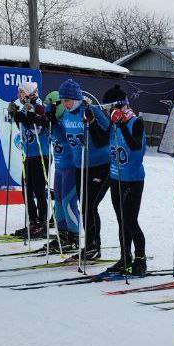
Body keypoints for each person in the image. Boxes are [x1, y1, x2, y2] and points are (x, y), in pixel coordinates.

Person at [58, 78, 112, 261]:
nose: (65, 104)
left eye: (68, 100)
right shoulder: (66, 116)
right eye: (63, 100)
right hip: (80, 167)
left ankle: (94, 247)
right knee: (85, 206)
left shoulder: (91, 110)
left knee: (90, 205)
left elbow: (107, 137)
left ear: (77, 99)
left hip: (101, 166)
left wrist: (93, 122)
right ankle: (89, 245)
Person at [104, 86, 148, 277]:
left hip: (132, 179)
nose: (107, 111)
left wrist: (122, 124)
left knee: (130, 220)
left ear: (119, 106)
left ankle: (140, 259)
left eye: (109, 107)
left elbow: (136, 146)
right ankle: (125, 258)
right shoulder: (112, 122)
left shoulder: (135, 122)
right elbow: (99, 141)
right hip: (116, 177)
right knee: (121, 221)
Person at [8, 81, 52, 239]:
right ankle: (33, 222)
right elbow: (20, 122)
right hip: (29, 155)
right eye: (19, 92)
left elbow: (39, 128)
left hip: (42, 154)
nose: (18, 94)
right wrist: (14, 115)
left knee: (39, 190)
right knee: (27, 190)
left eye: (21, 92)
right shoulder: (24, 105)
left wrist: (24, 116)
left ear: (28, 93)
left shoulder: (40, 106)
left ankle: (42, 224)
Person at [44, 90, 80, 254]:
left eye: (50, 105)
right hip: (59, 167)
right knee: (57, 203)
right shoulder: (55, 120)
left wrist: (52, 120)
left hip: (70, 167)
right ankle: (62, 236)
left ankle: (74, 237)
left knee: (68, 203)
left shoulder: (66, 118)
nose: (47, 109)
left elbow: (64, 135)